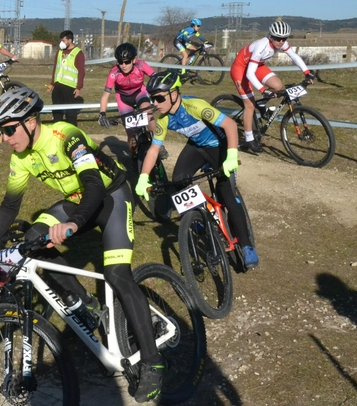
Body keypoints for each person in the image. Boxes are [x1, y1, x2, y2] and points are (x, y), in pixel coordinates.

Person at [0, 85, 166, 403]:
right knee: (32, 241)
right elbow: (11, 207)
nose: (5, 138)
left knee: (116, 275)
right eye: (1, 131)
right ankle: (88, 305)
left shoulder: (65, 135)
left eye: (8, 129)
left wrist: (74, 223)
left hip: (110, 197)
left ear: (30, 122)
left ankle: (153, 363)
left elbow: (94, 185)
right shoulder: (21, 157)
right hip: (76, 201)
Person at [135, 70, 258, 269]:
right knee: (179, 179)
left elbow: (230, 125)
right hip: (197, 147)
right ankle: (199, 218)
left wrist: (232, 156)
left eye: (158, 98)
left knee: (226, 195)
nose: (155, 103)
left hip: (220, 145)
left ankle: (246, 246)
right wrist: (143, 178)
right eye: (152, 99)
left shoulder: (195, 106)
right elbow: (154, 150)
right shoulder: (164, 119)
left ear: (174, 94)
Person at [230, 20, 315, 154]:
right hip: (241, 68)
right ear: (271, 36)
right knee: (250, 105)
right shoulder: (261, 46)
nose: (281, 42)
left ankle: (262, 105)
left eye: (284, 38)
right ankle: (249, 138)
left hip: (257, 66)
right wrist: (263, 90)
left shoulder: (282, 43)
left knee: (278, 86)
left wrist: (307, 72)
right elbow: (249, 73)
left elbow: (293, 56)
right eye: (277, 38)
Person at [98, 42, 155, 154]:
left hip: (139, 93)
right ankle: (134, 156)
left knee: (148, 114)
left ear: (134, 60)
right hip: (123, 99)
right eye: (120, 62)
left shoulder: (141, 65)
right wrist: (102, 114)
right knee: (131, 136)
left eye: (127, 62)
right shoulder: (114, 73)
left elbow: (155, 78)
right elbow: (105, 95)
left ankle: (158, 145)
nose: (123, 65)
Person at [47, 30, 86, 126]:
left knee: (70, 115)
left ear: (70, 40)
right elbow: (56, 68)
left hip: (70, 88)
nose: (62, 42)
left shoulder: (78, 53)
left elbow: (81, 71)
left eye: (63, 40)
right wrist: (52, 83)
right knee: (57, 113)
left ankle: (72, 133)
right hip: (58, 87)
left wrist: (78, 87)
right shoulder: (59, 52)